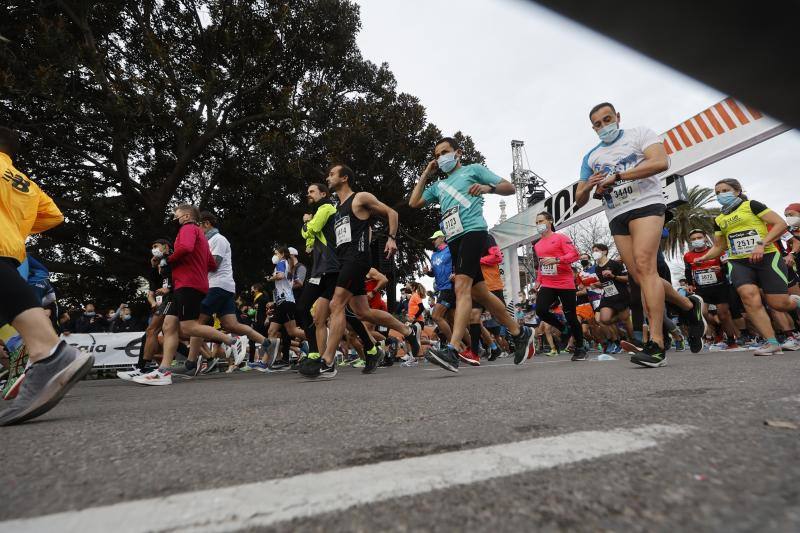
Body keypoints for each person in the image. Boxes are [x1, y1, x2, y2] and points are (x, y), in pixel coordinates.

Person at [574, 102, 705, 367]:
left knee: (646, 268)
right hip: (616, 214)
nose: (603, 126)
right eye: (598, 124)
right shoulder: (591, 156)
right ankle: (690, 308)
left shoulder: (640, 134)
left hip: (646, 204)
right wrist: (590, 186)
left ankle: (656, 344)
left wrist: (619, 175)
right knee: (641, 277)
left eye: (607, 119)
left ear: (618, 118)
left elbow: (660, 162)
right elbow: (579, 198)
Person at [409, 137, 534, 372]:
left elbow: (510, 187)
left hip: (473, 232)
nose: (441, 158)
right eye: (437, 155)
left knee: (462, 288)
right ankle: (520, 332)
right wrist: (426, 172)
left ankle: (453, 350)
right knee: (482, 294)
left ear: (458, 153)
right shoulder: (439, 187)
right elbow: (414, 202)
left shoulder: (473, 170)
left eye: (445, 152)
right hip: (454, 239)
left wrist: (488, 188)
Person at [0, 126, 93, 426]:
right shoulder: (25, 182)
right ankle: (47, 352)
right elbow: (53, 215)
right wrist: (17, 226)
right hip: (11, 245)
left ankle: (48, 352)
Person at [301, 164, 421, 379]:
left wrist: (392, 239)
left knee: (336, 304)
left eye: (331, 174)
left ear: (344, 178)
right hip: (343, 260)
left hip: (356, 259)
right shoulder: (337, 209)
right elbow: (358, 229)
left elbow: (391, 212)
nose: (327, 177)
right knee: (362, 312)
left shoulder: (360, 198)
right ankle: (407, 331)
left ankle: (327, 362)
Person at [132, 204, 236, 385]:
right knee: (169, 327)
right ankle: (164, 371)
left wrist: (167, 260)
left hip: (187, 284)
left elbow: (186, 248)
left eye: (177, 215)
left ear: (187, 216)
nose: (175, 218)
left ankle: (232, 341)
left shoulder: (187, 228)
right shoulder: (202, 237)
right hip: (193, 284)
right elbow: (211, 264)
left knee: (187, 327)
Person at [694, 179, 800, 355]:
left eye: (725, 190)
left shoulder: (752, 205)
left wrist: (762, 243)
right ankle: (772, 343)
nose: (721, 195)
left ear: (737, 191)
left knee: (778, 303)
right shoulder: (719, 219)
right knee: (749, 298)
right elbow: (720, 246)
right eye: (717, 192)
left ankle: (795, 301)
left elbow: (780, 224)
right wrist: (704, 257)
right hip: (739, 262)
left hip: (767, 257)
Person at [532, 212, 587, 361]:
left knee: (571, 316)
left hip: (565, 282)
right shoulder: (537, 245)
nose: (539, 224)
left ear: (550, 221)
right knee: (541, 310)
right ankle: (563, 328)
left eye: (541, 221)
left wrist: (557, 260)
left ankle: (580, 347)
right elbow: (541, 265)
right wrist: (538, 280)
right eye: (537, 222)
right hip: (548, 283)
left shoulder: (560, 238)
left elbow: (574, 254)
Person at [118, 239, 173, 380]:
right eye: (152, 247)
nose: (153, 249)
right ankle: (199, 360)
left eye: (156, 246)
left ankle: (143, 368)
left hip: (173, 298)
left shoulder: (172, 259)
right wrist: (154, 267)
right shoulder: (158, 265)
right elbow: (153, 289)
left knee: (153, 331)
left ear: (165, 247)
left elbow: (176, 278)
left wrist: (169, 288)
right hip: (163, 303)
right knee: (175, 332)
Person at [683, 229, 738, 349]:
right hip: (701, 288)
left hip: (719, 286)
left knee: (723, 315)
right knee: (701, 313)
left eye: (699, 238)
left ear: (705, 238)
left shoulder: (717, 251)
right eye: (693, 239)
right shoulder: (688, 256)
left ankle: (731, 340)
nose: (697, 240)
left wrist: (721, 270)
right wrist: (690, 284)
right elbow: (688, 271)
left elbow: (728, 268)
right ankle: (718, 329)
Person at [427, 230, 455, 345]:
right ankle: (471, 348)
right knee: (452, 321)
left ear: (443, 238)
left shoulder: (451, 249)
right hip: (440, 289)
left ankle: (453, 346)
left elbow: (459, 262)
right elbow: (434, 272)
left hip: (449, 288)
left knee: (436, 316)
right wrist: (428, 272)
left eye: (435, 238)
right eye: (432, 239)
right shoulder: (434, 255)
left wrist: (456, 273)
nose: (433, 241)